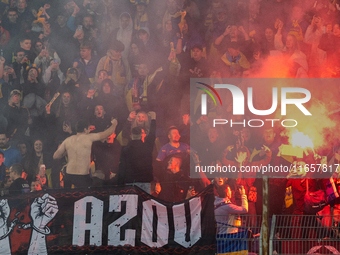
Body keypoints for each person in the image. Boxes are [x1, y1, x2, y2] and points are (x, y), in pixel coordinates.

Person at [53, 118, 118, 188]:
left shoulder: (68, 140)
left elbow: (55, 156)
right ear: (84, 129)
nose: (89, 131)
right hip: (82, 177)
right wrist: (114, 124)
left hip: (68, 176)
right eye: (88, 129)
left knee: (68, 197)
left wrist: (66, 153)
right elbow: (106, 134)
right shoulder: (88, 137)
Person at [117, 111, 156, 194]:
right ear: (141, 135)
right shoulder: (147, 147)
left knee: (132, 205)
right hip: (144, 181)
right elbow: (152, 134)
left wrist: (120, 182)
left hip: (131, 181)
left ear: (131, 135)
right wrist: (153, 119)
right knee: (145, 204)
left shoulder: (125, 149)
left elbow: (122, 166)